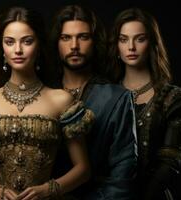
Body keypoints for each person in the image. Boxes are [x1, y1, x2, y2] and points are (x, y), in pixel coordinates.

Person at [0, 7, 94, 200]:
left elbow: (84, 169)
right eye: (10, 42)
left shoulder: (61, 100)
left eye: (27, 41)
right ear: (2, 48)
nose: (18, 50)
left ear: (39, 46)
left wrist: (49, 189)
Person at [107, 8, 181, 200]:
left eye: (139, 39)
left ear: (152, 44)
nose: (131, 47)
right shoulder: (105, 95)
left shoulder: (172, 98)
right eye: (123, 40)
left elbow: (169, 165)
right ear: (116, 46)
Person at [49, 5, 137, 199]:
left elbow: (122, 177)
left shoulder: (117, 98)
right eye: (66, 38)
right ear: (56, 42)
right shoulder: (42, 93)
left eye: (83, 37)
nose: (74, 46)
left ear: (95, 41)